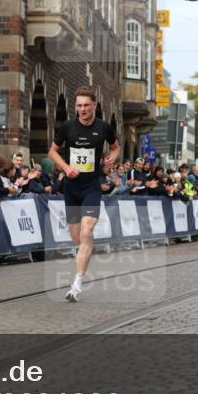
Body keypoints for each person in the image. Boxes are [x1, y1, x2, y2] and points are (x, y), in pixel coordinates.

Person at [48, 86, 120, 303]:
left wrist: (112, 158)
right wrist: (65, 168)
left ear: (94, 105)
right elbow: (52, 151)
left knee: (87, 232)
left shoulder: (104, 128)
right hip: (71, 187)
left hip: (92, 186)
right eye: (79, 106)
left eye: (86, 105)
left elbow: (116, 147)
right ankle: (83, 254)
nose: (82, 109)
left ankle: (76, 284)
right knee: (77, 237)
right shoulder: (68, 127)